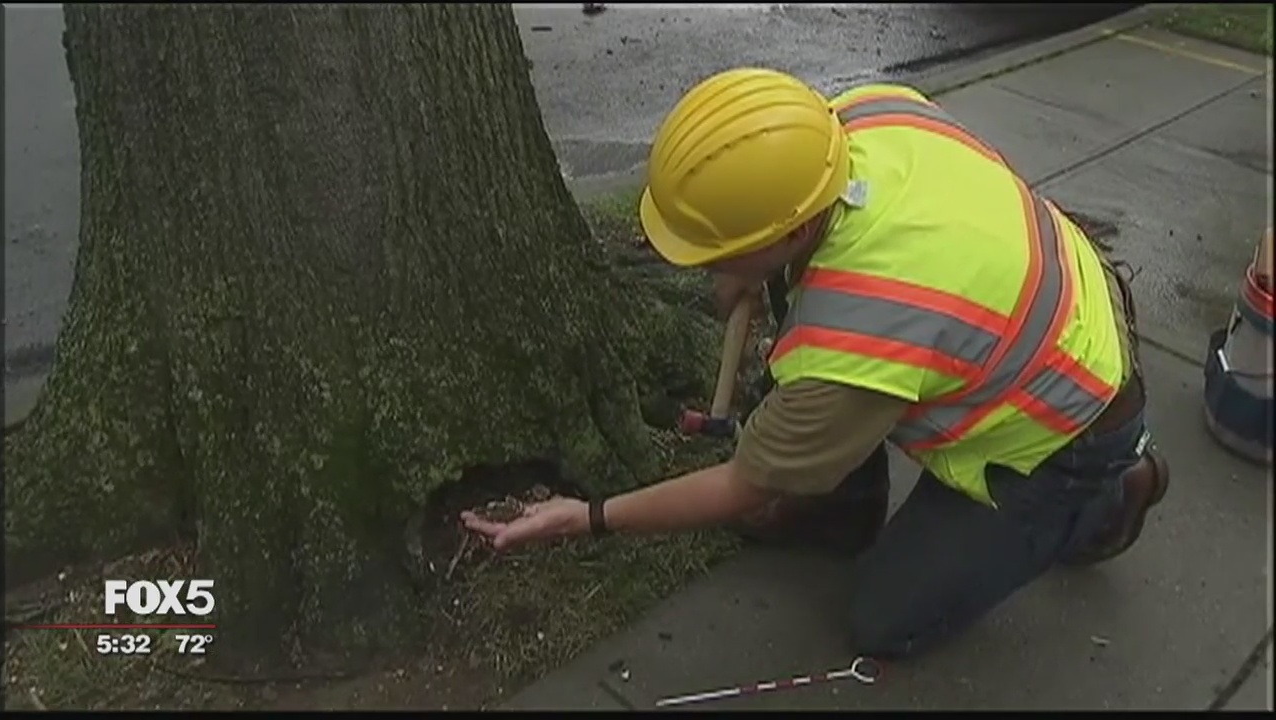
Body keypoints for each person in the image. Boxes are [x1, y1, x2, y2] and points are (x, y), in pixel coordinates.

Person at [462, 68, 1171, 661]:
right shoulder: (862, 115)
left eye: (717, 252)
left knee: (885, 621)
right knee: (825, 383)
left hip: (1066, 428)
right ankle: (840, 509)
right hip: (1053, 298)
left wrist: (585, 518)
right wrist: (748, 264)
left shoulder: (862, 331)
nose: (705, 271)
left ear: (793, 229)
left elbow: (743, 484)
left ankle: (1112, 494)